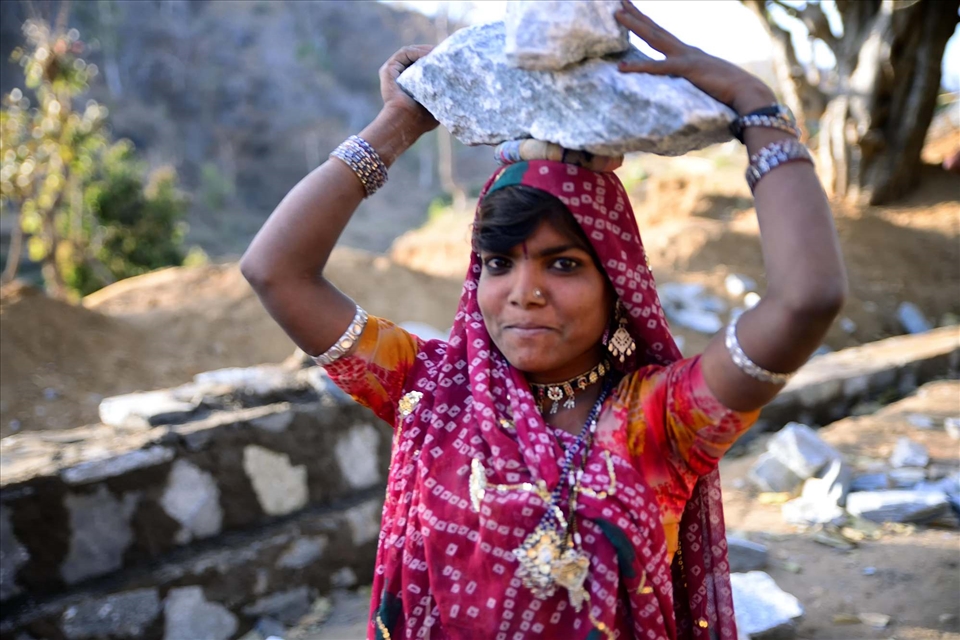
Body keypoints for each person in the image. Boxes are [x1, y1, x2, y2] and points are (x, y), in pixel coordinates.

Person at [241, 2, 847, 638]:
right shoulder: (434, 390)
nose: (522, 292)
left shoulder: (661, 421)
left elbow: (805, 298)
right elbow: (274, 271)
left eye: (562, 265)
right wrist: (397, 124)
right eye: (499, 262)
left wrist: (757, 108)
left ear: (616, 284)